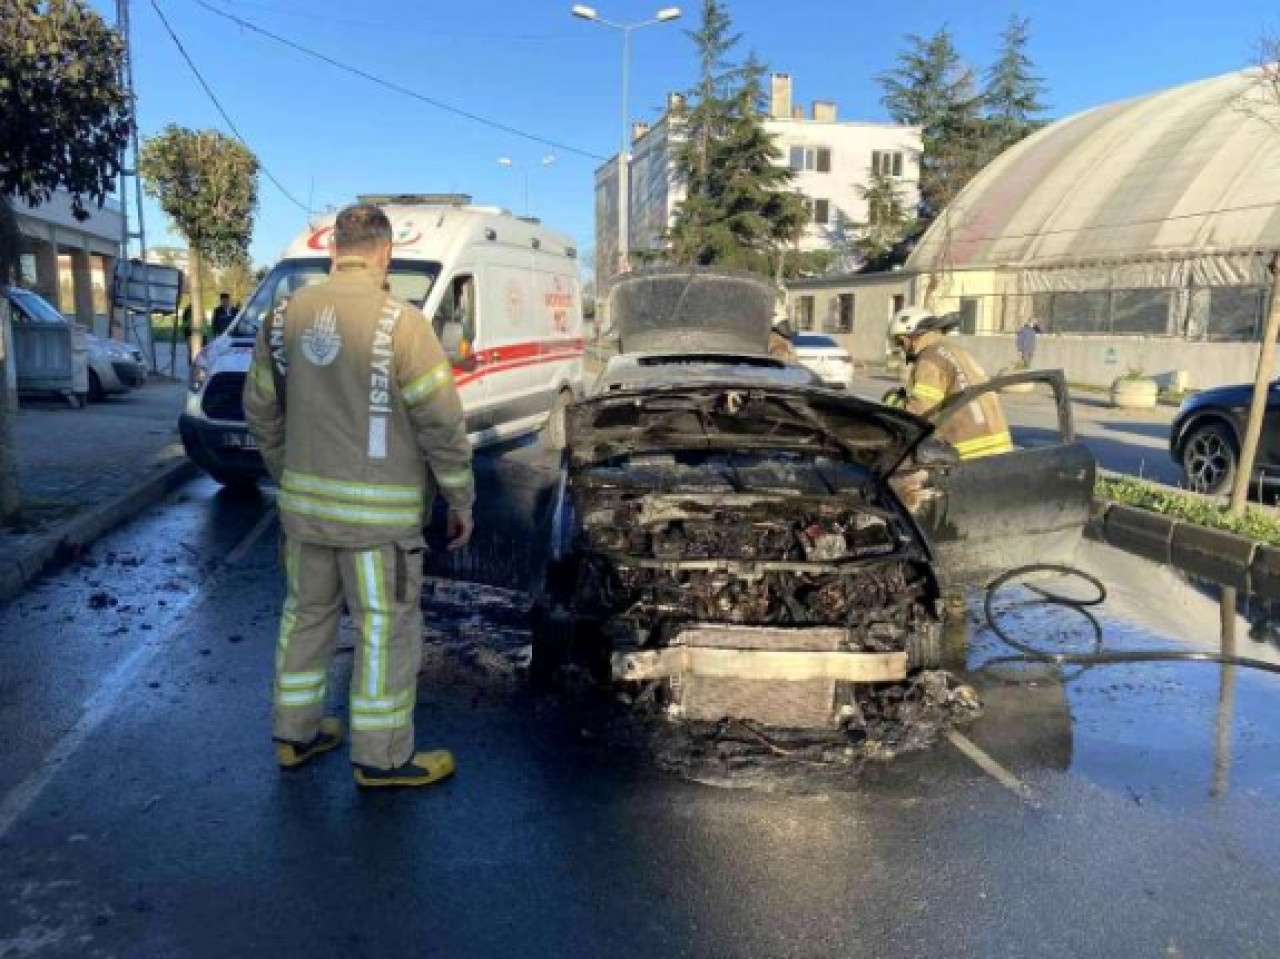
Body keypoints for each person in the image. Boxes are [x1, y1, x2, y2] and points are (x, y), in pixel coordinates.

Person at [244, 203, 476, 789]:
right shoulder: (403, 325)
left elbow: (260, 410)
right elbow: (441, 424)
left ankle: (294, 736)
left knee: (306, 617)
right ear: (386, 255)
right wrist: (460, 497)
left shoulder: (280, 319)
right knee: (385, 629)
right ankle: (382, 757)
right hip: (381, 525)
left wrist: (288, 472)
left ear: (333, 251)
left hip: (304, 514)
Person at [886, 306, 1012, 460]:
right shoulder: (956, 351)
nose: (902, 347)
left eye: (901, 341)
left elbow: (920, 413)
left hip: (968, 451)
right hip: (1001, 447)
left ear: (911, 336)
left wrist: (895, 403)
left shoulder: (929, 358)